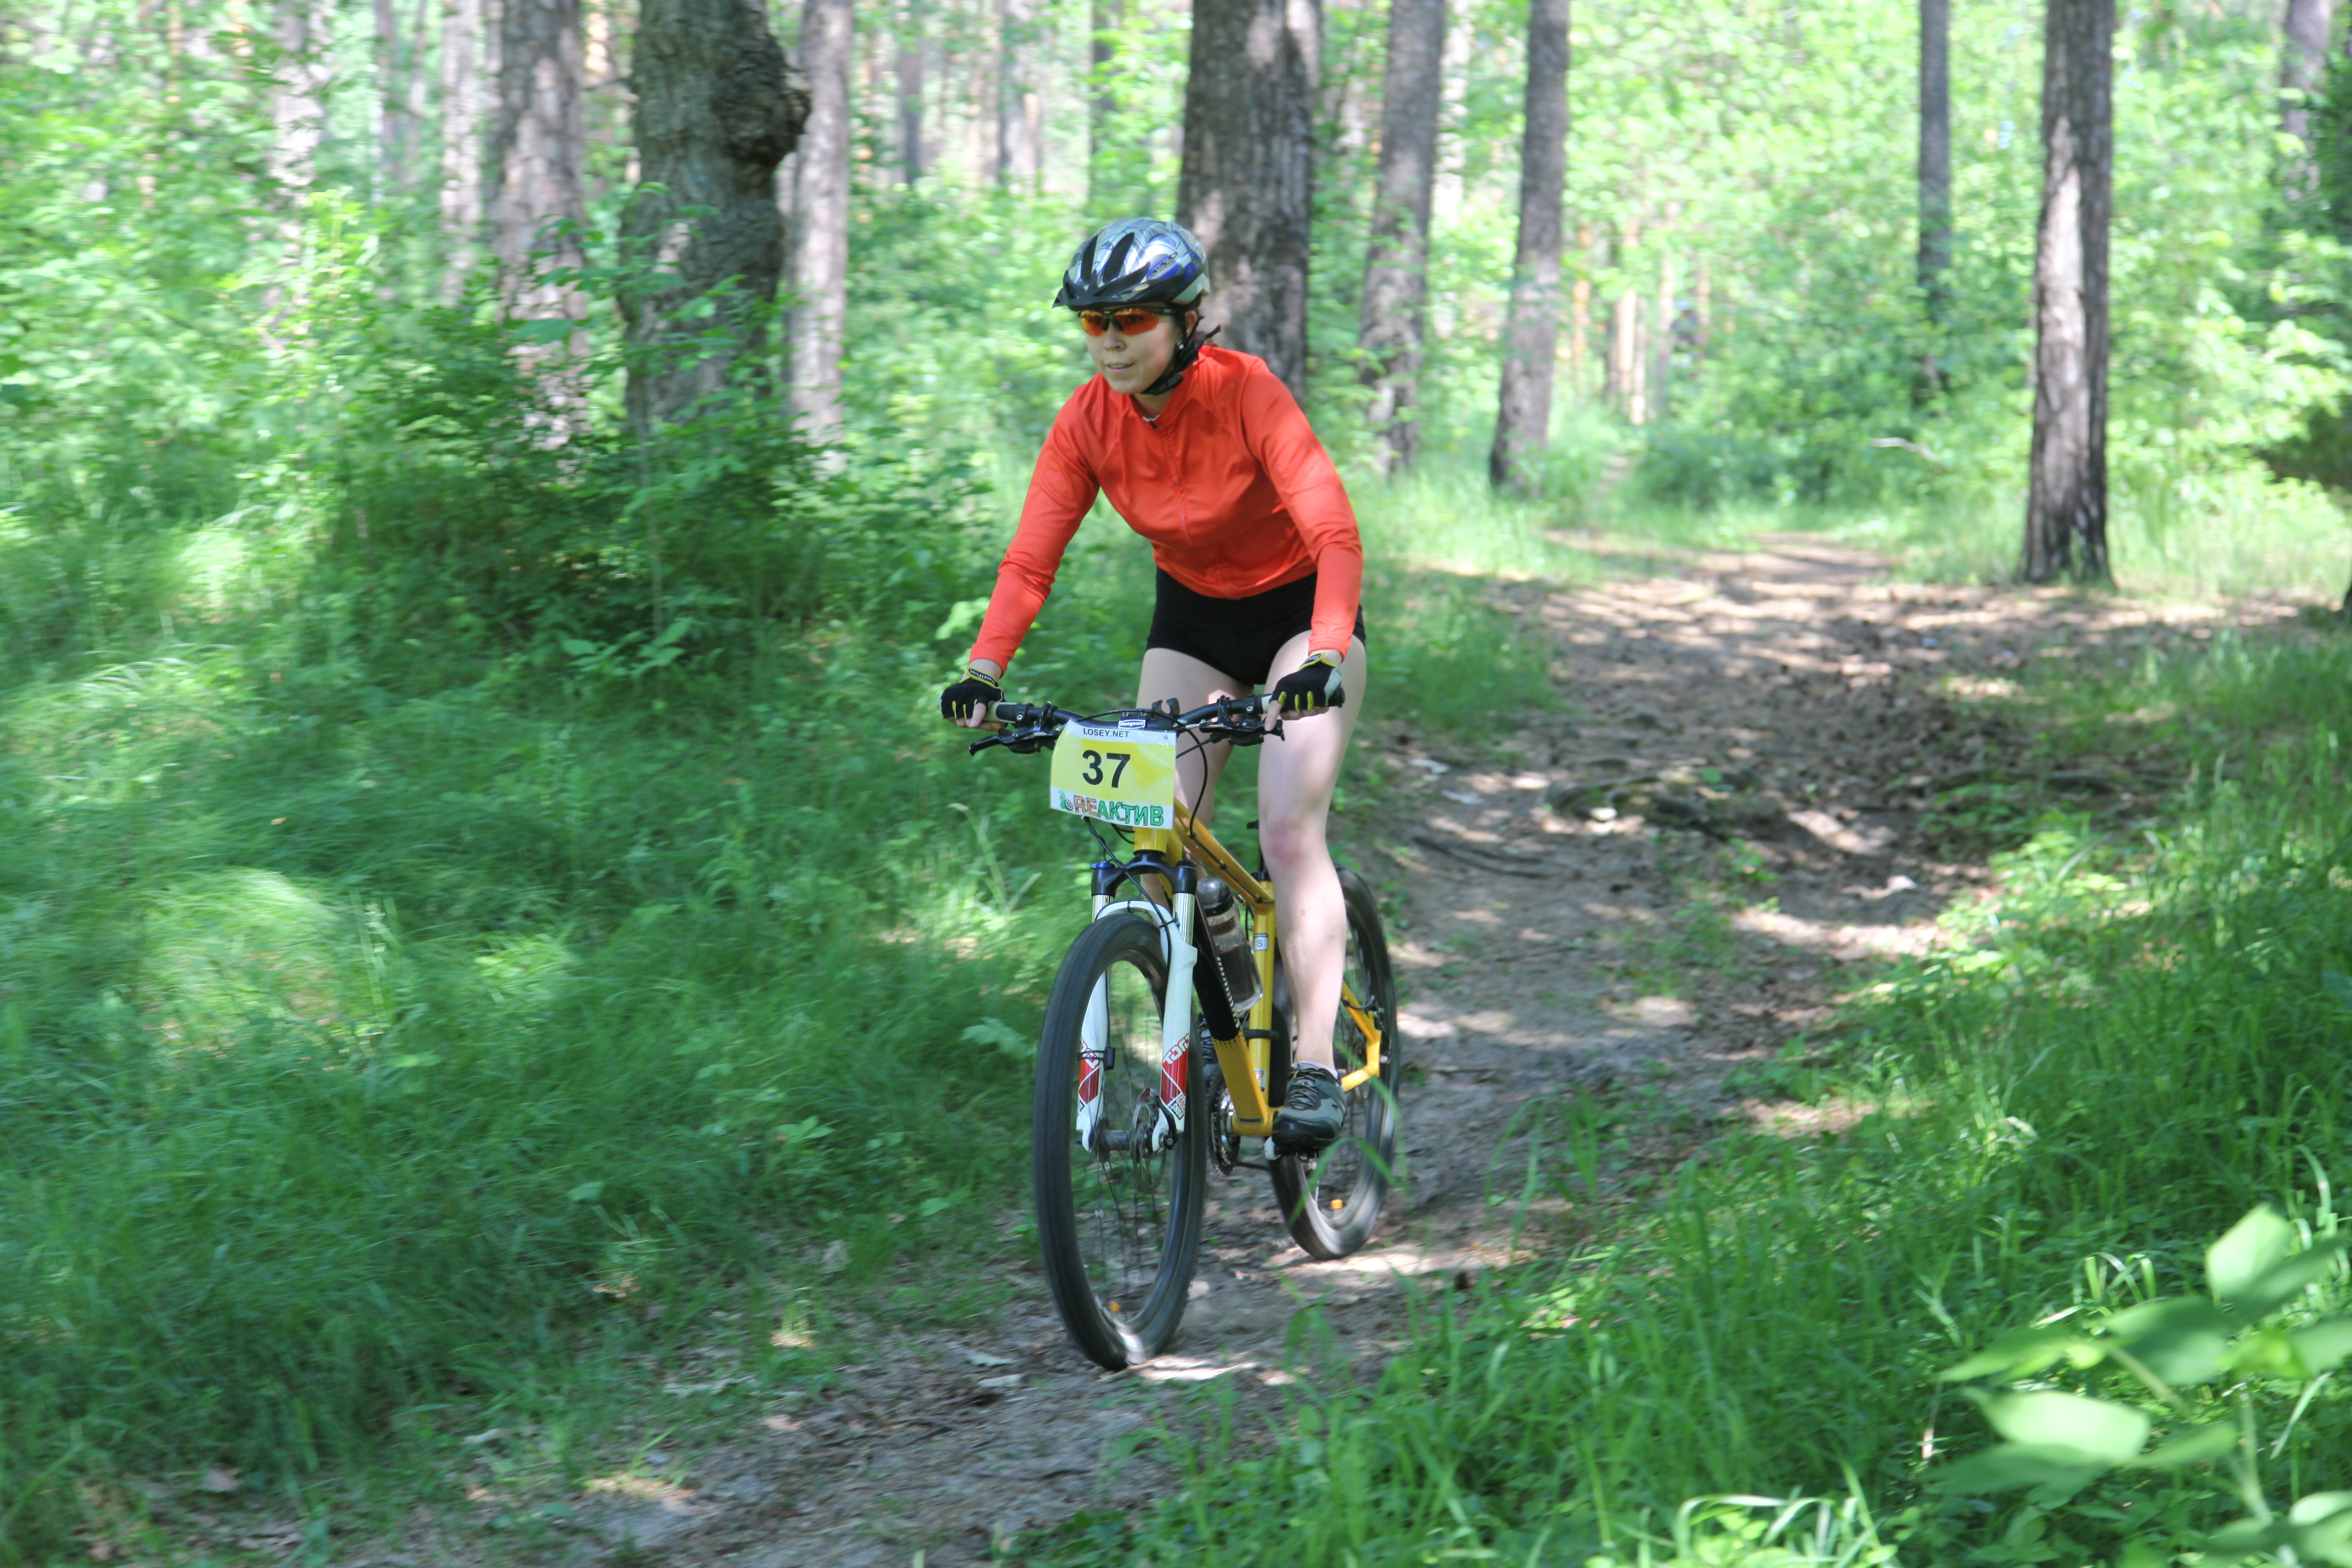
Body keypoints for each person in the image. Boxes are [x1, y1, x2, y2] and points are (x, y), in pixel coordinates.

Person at [940, 218, 1368, 1158]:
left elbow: (1335, 535)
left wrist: (1328, 653)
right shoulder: (1086, 421)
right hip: (1195, 622)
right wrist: (984, 668)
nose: (1110, 341)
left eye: (1131, 320)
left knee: (1288, 830)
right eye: (1093, 323)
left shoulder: (1247, 392)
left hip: (1301, 616)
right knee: (1155, 843)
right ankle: (1220, 997)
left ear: (1185, 321)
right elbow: (1030, 561)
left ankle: (1311, 1065)